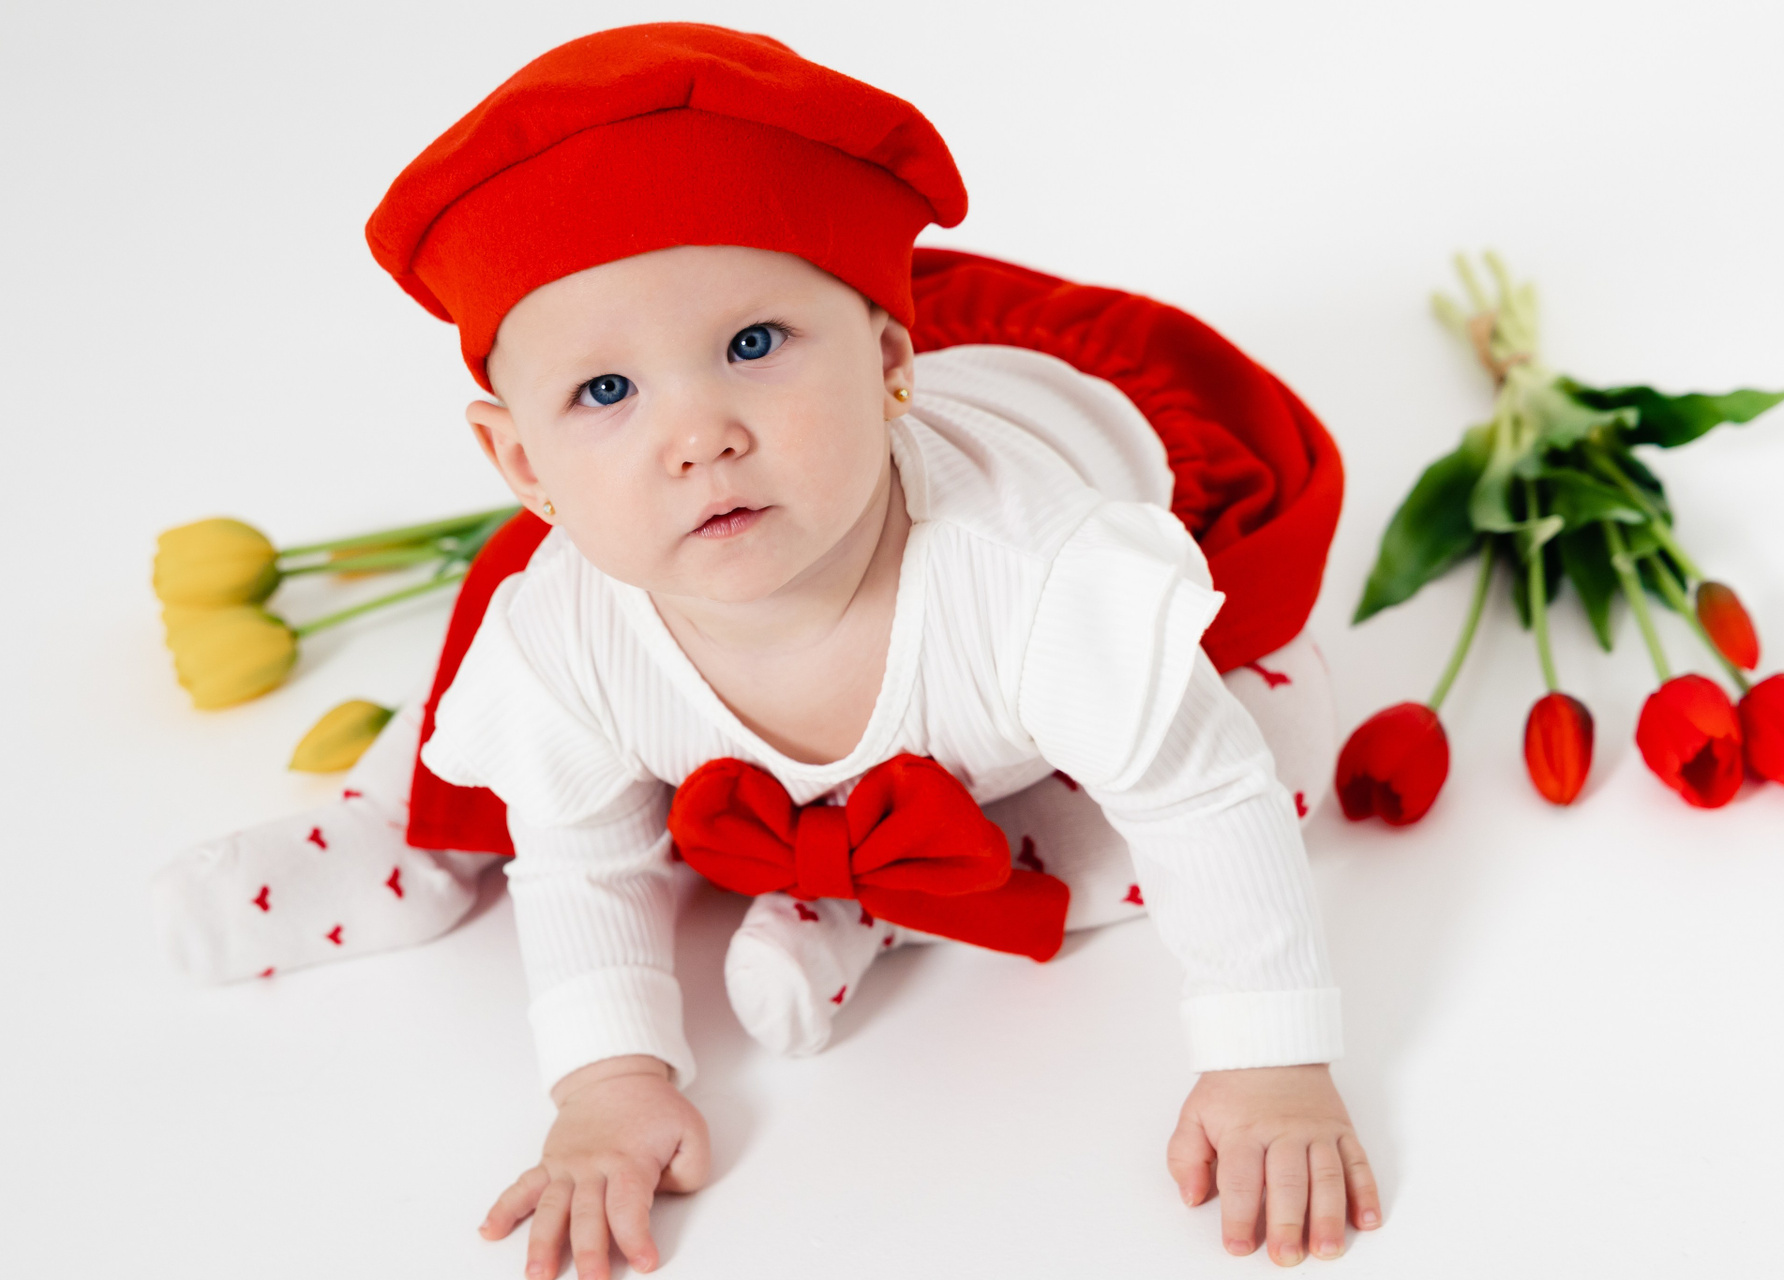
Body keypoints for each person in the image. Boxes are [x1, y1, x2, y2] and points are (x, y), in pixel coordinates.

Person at [153, 21, 1378, 1275]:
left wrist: (1270, 1061)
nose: (700, 436)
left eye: (752, 346)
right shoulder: (575, 627)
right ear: (521, 460)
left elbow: (1203, 797)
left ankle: (876, 903)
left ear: (891, 361)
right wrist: (609, 1080)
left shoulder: (1038, 580)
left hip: (1089, 490)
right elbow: (580, 863)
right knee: (505, 688)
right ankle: (400, 826)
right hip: (654, 607)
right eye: (606, 392)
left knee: (1273, 736)